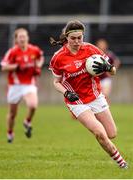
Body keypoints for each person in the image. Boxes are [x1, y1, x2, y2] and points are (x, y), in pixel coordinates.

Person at [49, 20, 128, 168]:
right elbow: (56, 82)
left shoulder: (92, 49)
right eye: (73, 38)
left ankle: (104, 139)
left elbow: (113, 71)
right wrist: (67, 93)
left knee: (111, 134)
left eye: (80, 37)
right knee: (99, 133)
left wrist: (109, 68)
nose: (77, 41)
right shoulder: (58, 57)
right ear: (67, 38)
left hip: (96, 96)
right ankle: (122, 164)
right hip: (76, 100)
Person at [1, 28, 44, 143]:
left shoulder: (34, 50)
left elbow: (40, 58)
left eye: (24, 36)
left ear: (27, 38)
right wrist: (17, 67)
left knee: (33, 105)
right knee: (12, 114)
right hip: (15, 86)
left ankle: (27, 121)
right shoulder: (12, 52)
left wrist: (38, 66)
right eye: (20, 37)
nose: (22, 39)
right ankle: (10, 132)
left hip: (29, 84)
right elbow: (4, 67)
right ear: (16, 39)